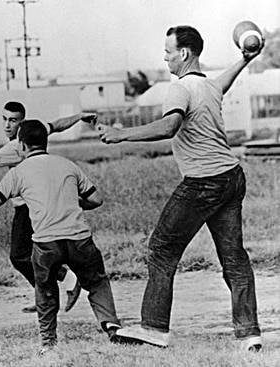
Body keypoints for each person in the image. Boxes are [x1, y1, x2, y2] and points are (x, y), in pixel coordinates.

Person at [96, 25, 264, 351]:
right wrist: (244, 59)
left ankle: (154, 328)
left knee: (161, 249)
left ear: (184, 53)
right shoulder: (206, 86)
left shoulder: (179, 89)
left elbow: (170, 126)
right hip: (231, 178)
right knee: (234, 260)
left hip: (202, 183)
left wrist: (121, 135)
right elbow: (221, 85)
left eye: (168, 51)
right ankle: (250, 335)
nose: (165, 56)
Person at [0, 119, 124, 354]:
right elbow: (96, 199)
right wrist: (73, 202)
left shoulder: (19, 172)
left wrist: (19, 194)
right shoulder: (67, 165)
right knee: (97, 281)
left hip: (46, 242)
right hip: (79, 238)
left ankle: (49, 344)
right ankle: (110, 324)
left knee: (45, 290)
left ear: (22, 145)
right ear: (45, 141)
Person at [0, 101, 95, 313]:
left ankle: (65, 279)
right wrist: (80, 116)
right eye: (5, 119)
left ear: (22, 122)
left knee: (19, 256)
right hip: (38, 203)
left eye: (13, 120)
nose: (8, 125)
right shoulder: (35, 133)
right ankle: (45, 296)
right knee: (32, 253)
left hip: (28, 207)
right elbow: (57, 125)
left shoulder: (14, 147)